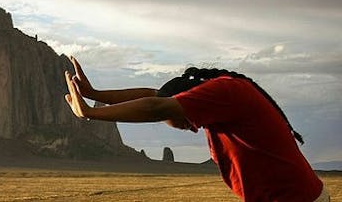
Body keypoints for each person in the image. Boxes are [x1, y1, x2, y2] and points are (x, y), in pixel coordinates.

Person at [64, 56, 330, 202]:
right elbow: (154, 95)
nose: (192, 129)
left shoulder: (226, 91)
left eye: (184, 123)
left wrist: (91, 113)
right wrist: (96, 93)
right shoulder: (219, 96)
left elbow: (156, 106)